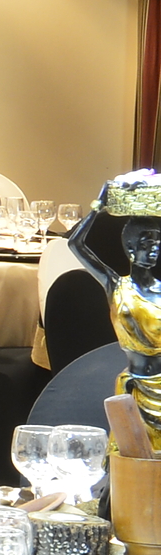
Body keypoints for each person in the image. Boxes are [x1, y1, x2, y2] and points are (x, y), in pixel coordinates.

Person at [72, 170, 161, 445]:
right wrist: (99, 204)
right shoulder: (116, 286)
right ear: (131, 249)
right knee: (128, 458)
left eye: (158, 244)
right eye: (147, 244)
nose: (155, 250)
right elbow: (75, 243)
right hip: (133, 388)